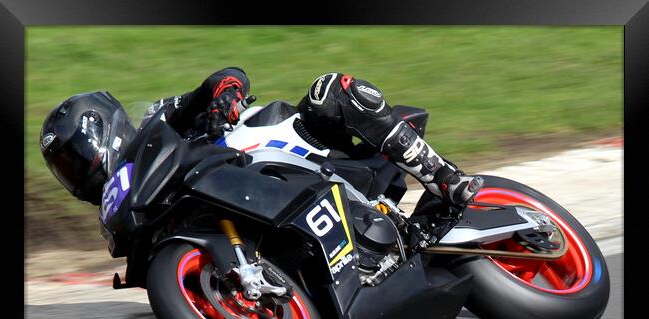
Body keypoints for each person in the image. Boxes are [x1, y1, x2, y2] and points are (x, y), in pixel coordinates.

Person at [41, 67, 483, 207]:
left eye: (74, 157)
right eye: (66, 170)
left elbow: (223, 78)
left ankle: (445, 177)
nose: (75, 171)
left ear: (101, 128)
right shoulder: (132, 206)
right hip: (260, 202)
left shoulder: (157, 122)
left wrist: (222, 99)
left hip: (290, 145)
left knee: (331, 91)